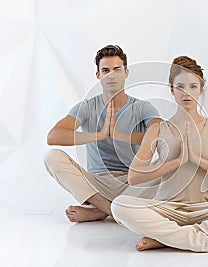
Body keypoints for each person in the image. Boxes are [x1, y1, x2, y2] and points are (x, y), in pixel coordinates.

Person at [111, 56, 208, 253]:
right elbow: (134, 177)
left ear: (201, 90)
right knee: (120, 206)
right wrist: (177, 162)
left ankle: (168, 238)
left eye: (193, 86)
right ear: (172, 90)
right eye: (180, 87)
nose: (187, 93)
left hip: (206, 210)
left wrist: (197, 159)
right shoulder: (158, 128)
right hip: (167, 209)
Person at [44, 45, 161, 223]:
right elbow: (53, 137)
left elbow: (162, 135)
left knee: (177, 157)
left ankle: (98, 211)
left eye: (117, 69)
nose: (111, 75)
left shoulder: (142, 107)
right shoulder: (87, 107)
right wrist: (100, 135)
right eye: (105, 70)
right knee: (51, 157)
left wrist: (119, 135)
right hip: (97, 184)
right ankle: (110, 209)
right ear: (98, 75)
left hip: (133, 184)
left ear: (126, 73)